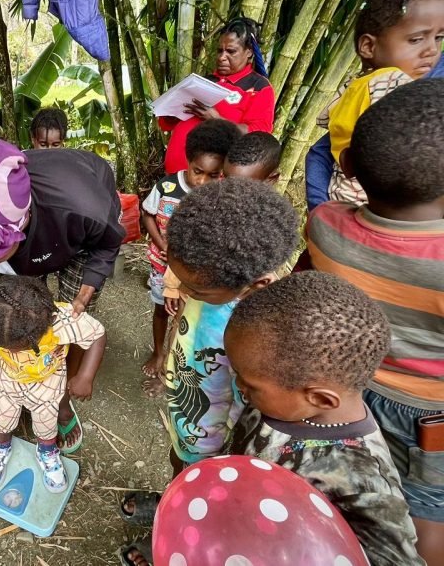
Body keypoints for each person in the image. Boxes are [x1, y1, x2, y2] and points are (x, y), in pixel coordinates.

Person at [305, 79, 444, 565]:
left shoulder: (324, 225)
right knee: (425, 512)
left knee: (346, 489)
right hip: (429, 416)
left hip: (348, 393)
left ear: (346, 167)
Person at [120, 179, 298, 528]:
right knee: (181, 461)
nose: (184, 290)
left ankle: (181, 527)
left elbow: (250, 408)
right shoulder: (213, 272)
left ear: (256, 284)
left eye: (195, 288)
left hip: (214, 434)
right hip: (189, 411)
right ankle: (173, 500)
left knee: (204, 484)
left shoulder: (257, 334)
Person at [0, 138, 124, 454]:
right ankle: (11, 383)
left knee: (70, 316)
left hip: (79, 237)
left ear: (18, 226)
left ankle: (61, 398)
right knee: (18, 315)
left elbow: (107, 244)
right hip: (26, 244)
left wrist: (90, 282)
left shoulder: (85, 209)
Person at [224, 272, 424, 566]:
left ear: (320, 398)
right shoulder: (286, 399)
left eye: (248, 383)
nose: (239, 386)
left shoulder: (363, 482)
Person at [315, 0, 444, 206]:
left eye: (439, 38)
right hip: (380, 203)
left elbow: (325, 121)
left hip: (341, 194)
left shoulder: (354, 86)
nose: (432, 50)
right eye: (416, 40)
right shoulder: (393, 82)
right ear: (368, 46)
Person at [0, 277, 106, 492]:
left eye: (19, 347)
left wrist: (85, 376)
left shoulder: (62, 320)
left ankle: (46, 450)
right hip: (8, 381)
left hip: (48, 384)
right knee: (1, 419)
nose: (13, 352)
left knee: (46, 423)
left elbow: (97, 335)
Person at [140, 119, 241, 384]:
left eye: (213, 175)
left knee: (187, 313)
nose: (202, 181)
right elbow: (147, 214)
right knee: (161, 308)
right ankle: (158, 353)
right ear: (188, 160)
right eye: (198, 171)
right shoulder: (166, 188)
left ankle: (177, 360)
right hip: (162, 263)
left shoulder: (219, 197)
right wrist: (161, 244)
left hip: (195, 271)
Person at [158, 17, 274, 175]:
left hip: (213, 183)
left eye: (231, 51)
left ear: (249, 52)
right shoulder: (202, 81)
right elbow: (165, 124)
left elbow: (258, 138)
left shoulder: (259, 87)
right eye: (220, 51)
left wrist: (217, 120)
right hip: (175, 178)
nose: (222, 57)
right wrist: (171, 110)